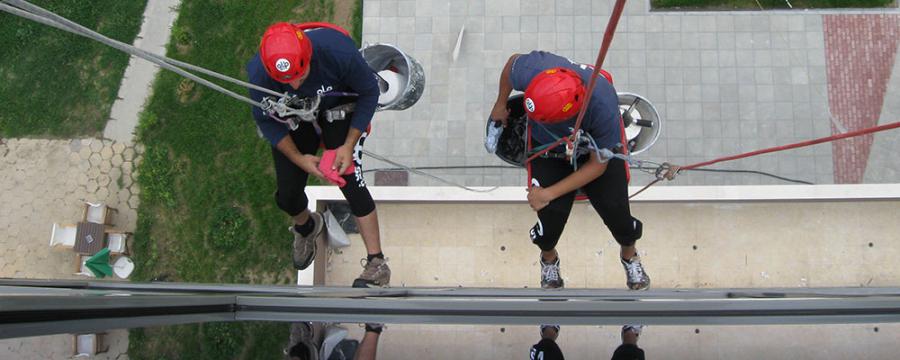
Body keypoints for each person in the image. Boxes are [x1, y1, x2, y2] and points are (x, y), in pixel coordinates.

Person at [491, 50, 650, 290]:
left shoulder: (602, 104)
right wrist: (500, 103)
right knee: (548, 223)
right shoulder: (534, 69)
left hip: (594, 149)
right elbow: (511, 63)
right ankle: (549, 259)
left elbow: (598, 166)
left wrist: (549, 193)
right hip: (549, 148)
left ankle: (629, 254)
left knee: (618, 215)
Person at [247, 22, 389, 287]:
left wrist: (348, 144)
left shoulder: (338, 51)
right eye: (286, 81)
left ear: (309, 55)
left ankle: (377, 262)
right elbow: (266, 122)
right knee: (287, 195)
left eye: (300, 76)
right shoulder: (259, 75)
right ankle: (307, 227)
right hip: (295, 115)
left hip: (339, 107)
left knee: (348, 178)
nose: (295, 83)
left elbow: (369, 92)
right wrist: (299, 159)